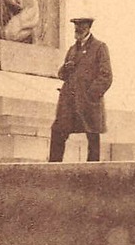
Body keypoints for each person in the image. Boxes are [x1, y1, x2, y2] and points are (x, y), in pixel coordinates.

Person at [48, 16, 113, 162]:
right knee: (58, 130)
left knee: (92, 135)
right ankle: (53, 168)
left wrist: (91, 94)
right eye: (76, 27)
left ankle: (92, 171)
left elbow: (106, 75)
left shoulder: (99, 47)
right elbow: (61, 74)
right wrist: (65, 68)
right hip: (69, 101)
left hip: (88, 101)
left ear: (89, 28)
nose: (78, 29)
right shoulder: (72, 50)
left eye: (82, 27)